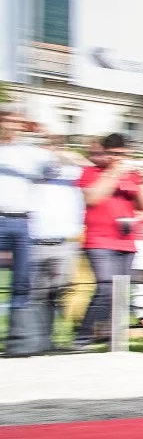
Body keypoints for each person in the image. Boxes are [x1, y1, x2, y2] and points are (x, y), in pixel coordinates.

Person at [77, 133, 143, 349]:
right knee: (106, 287)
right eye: (113, 154)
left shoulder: (131, 176)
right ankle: (83, 336)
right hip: (99, 240)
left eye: (123, 154)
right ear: (104, 153)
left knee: (121, 292)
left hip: (126, 240)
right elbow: (93, 198)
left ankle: (114, 337)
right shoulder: (91, 172)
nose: (118, 158)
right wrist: (115, 171)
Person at [27, 137, 87, 352]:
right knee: (36, 294)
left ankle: (51, 340)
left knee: (58, 293)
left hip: (64, 242)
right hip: (35, 240)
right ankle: (35, 341)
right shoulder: (30, 171)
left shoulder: (70, 173)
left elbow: (87, 167)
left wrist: (63, 153)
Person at [0, 105, 51, 355]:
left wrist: (42, 133)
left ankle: (16, 341)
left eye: (18, 121)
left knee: (22, 282)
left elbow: (55, 164)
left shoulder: (31, 153)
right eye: (8, 120)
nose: (12, 125)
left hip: (21, 221)